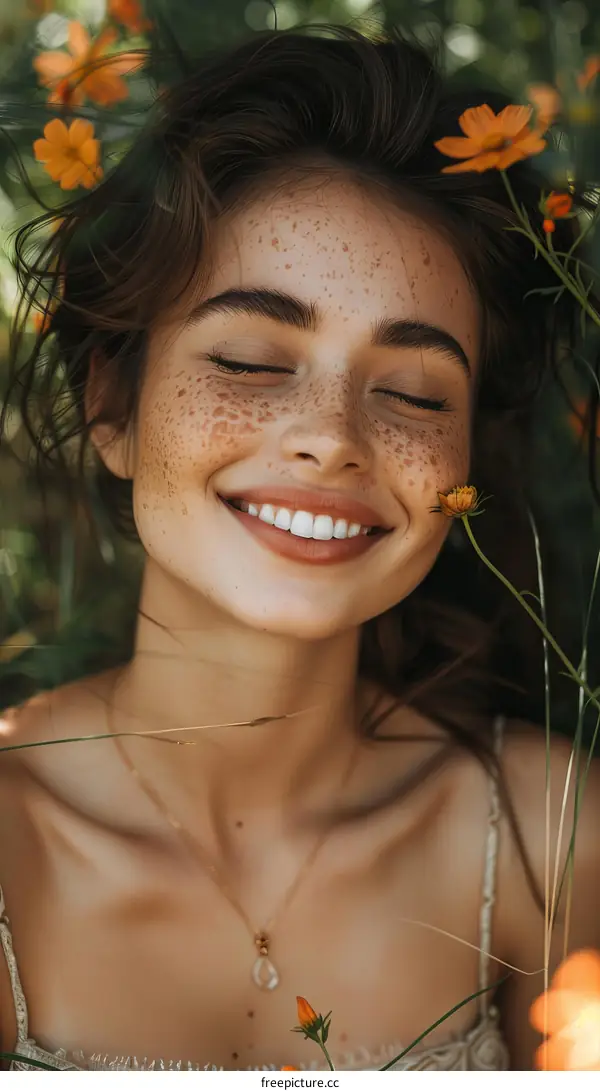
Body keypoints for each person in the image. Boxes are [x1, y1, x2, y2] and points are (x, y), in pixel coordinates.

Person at [0, 23, 598, 1074]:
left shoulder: (557, 840)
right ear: (110, 402)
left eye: (414, 390)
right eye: (248, 358)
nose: (333, 436)